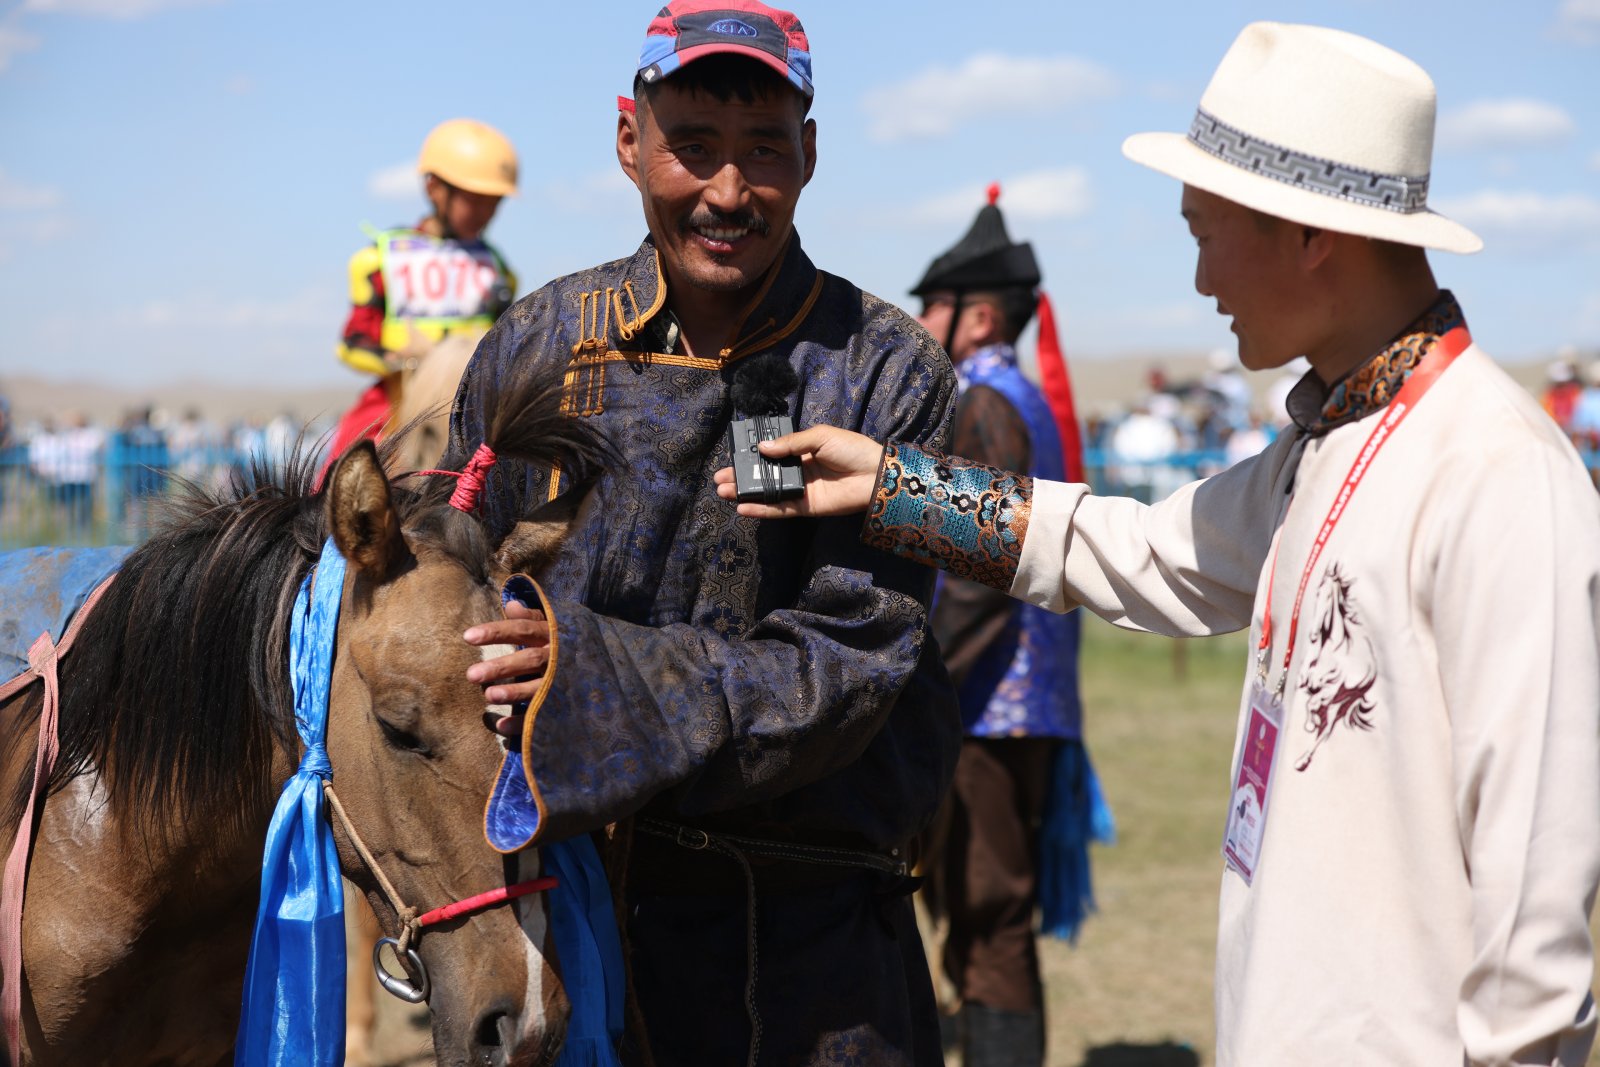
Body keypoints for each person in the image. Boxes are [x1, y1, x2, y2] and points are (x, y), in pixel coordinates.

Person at [715, 22, 1600, 1067]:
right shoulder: (1329, 443)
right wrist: (899, 488)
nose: (1199, 281)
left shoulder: (1498, 476)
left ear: (1305, 231)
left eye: (1203, 232)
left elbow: (1535, 925)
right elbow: (1142, 548)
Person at [444, 3, 960, 1065]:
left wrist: (589, 671)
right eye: (693, 145)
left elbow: (849, 663)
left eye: (763, 148)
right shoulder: (537, 347)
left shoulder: (886, 370)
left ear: (809, 153)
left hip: (813, 946)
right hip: (570, 923)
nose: (728, 191)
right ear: (629, 142)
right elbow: (451, 596)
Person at [907, 187, 1103, 1066]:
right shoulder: (1020, 399)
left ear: (978, 316)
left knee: (989, 922)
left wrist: (914, 680)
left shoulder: (984, 403)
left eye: (933, 306)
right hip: (1016, 704)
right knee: (985, 918)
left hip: (989, 707)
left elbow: (977, 577)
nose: (921, 321)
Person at [326, 118, 519, 464]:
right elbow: (352, 343)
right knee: (338, 472)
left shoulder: (499, 269)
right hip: (397, 404)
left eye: (494, 201)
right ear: (434, 188)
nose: (485, 212)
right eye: (474, 199)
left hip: (475, 404)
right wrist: (407, 360)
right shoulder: (382, 259)